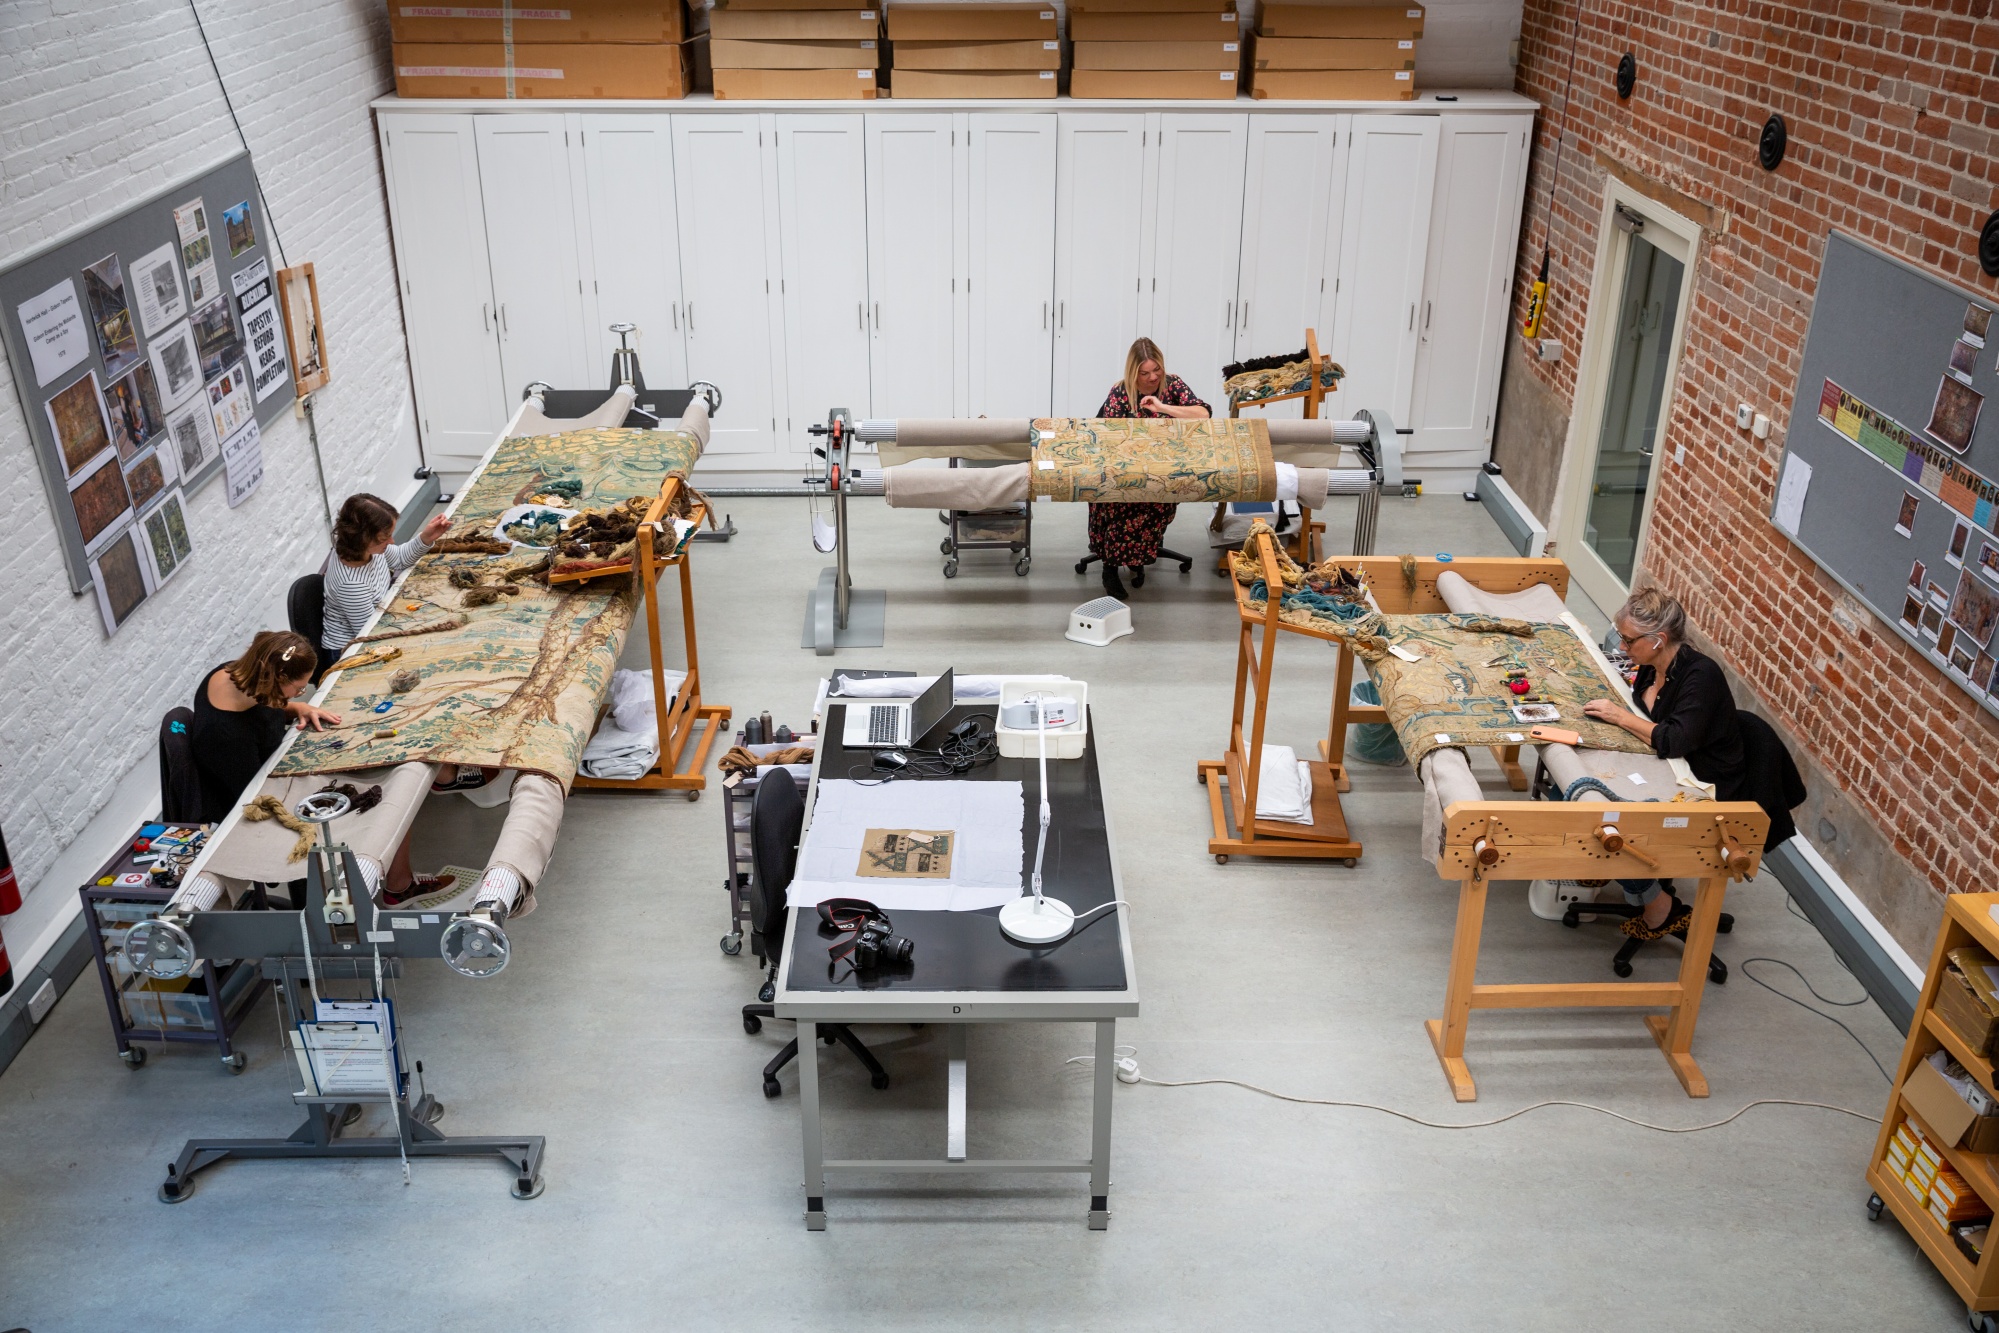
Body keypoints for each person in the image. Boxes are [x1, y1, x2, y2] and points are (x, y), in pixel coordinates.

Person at [1582, 587, 1746, 939]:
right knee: (1576, 787)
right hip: (1667, 766)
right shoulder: (1651, 665)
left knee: (1616, 824)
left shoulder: (1701, 676)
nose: (1623, 649)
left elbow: (1671, 741)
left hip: (1702, 782)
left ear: (1658, 639)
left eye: (1628, 641)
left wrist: (1619, 717)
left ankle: (1659, 909)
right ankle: (1604, 864)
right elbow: (1648, 719)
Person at [1090, 337, 1210, 600]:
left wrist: (1161, 407)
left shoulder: (1173, 384)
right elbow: (1106, 438)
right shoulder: (1120, 393)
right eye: (1144, 373)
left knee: (1158, 497)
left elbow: (1203, 414)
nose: (1152, 377)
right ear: (1133, 372)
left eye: (1157, 370)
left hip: (1164, 469)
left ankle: (1136, 555)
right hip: (1125, 470)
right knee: (1120, 503)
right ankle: (1110, 569)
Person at [188, 631, 340, 825]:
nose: (299, 693)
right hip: (244, 802)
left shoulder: (239, 675)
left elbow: (261, 711)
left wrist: (297, 707)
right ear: (279, 679)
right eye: (299, 689)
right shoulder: (227, 737)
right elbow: (257, 795)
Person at [322, 493, 451, 658]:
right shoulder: (350, 585)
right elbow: (371, 634)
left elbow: (399, 559)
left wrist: (426, 537)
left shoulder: (368, 549)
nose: (391, 541)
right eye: (385, 537)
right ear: (363, 538)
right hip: (349, 650)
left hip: (378, 619)